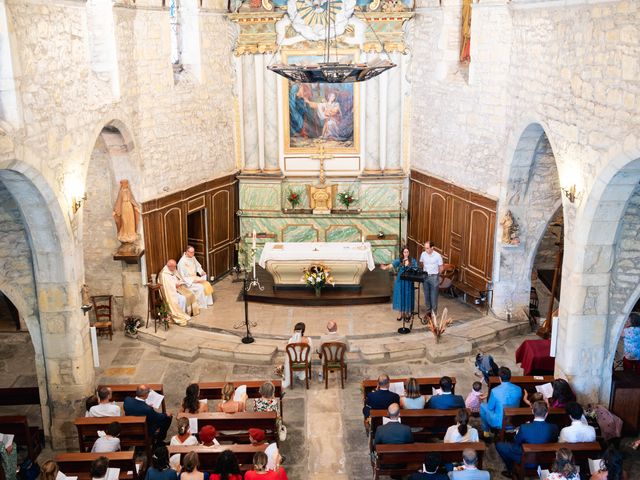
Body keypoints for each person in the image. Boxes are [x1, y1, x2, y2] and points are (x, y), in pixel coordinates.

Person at [495, 401, 560, 478]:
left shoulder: (524, 427)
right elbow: (554, 442)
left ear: (532, 411)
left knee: (499, 445)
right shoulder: (554, 428)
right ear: (546, 414)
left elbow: (516, 443)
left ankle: (510, 470)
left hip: (526, 460)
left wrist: (517, 434)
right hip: (545, 460)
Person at [480, 367, 522, 437]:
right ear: (510, 377)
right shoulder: (518, 389)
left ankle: (486, 432)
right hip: (513, 419)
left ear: (499, 378)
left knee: (482, 406)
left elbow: (490, 407)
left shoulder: (495, 391)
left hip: (499, 422)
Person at [381, 246, 419, 321]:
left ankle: (408, 312)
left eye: (407, 252)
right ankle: (401, 313)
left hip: (408, 281)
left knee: (407, 295)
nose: (406, 254)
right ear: (402, 253)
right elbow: (392, 265)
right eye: (405, 252)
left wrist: (409, 266)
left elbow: (416, 268)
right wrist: (385, 267)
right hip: (400, 281)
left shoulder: (412, 260)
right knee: (400, 296)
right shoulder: (400, 260)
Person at [159, 260, 193, 325]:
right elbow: (167, 287)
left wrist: (179, 282)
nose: (175, 268)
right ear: (169, 266)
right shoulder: (164, 274)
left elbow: (177, 278)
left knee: (187, 295)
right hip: (169, 294)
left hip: (176, 290)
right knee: (182, 299)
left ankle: (182, 313)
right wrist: (175, 286)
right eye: (174, 267)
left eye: (175, 266)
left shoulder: (172, 270)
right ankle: (179, 315)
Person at [282, 322, 313, 389]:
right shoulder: (309, 340)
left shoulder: (291, 340)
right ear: (303, 330)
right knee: (307, 357)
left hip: (294, 362)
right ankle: (303, 372)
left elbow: (287, 351)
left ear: (295, 330)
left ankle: (296, 373)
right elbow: (311, 351)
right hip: (305, 362)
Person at [112, 179, 141, 245]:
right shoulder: (121, 192)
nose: (125, 185)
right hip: (124, 207)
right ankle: (125, 234)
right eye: (124, 183)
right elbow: (118, 201)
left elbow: (132, 199)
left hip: (129, 207)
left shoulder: (129, 191)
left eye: (126, 183)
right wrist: (115, 211)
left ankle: (131, 234)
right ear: (122, 184)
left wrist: (136, 207)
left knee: (131, 221)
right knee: (125, 221)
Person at [419, 240, 444, 316]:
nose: (426, 250)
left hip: (434, 277)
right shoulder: (423, 254)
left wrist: (436, 275)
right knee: (426, 295)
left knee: (433, 296)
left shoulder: (437, 256)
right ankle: (428, 312)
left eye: (427, 248)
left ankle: (434, 313)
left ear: (432, 248)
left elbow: (441, 268)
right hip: (425, 277)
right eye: (425, 248)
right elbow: (422, 263)